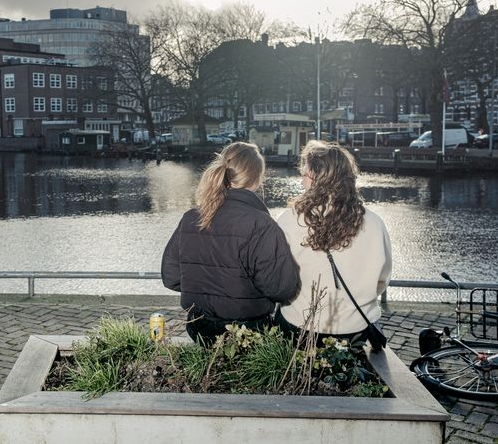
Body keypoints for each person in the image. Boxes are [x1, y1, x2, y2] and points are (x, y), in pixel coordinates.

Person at [161, 142, 299, 345]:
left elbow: (171, 277)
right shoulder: (261, 224)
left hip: (200, 326)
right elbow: (280, 288)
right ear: (257, 178)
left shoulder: (191, 218)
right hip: (249, 331)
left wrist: (207, 289)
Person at [276, 140, 391, 344]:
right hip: (355, 327)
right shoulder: (374, 223)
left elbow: (279, 277)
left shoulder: (290, 219)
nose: (302, 182)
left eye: (305, 176)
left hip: (301, 323)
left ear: (319, 179)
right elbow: (382, 280)